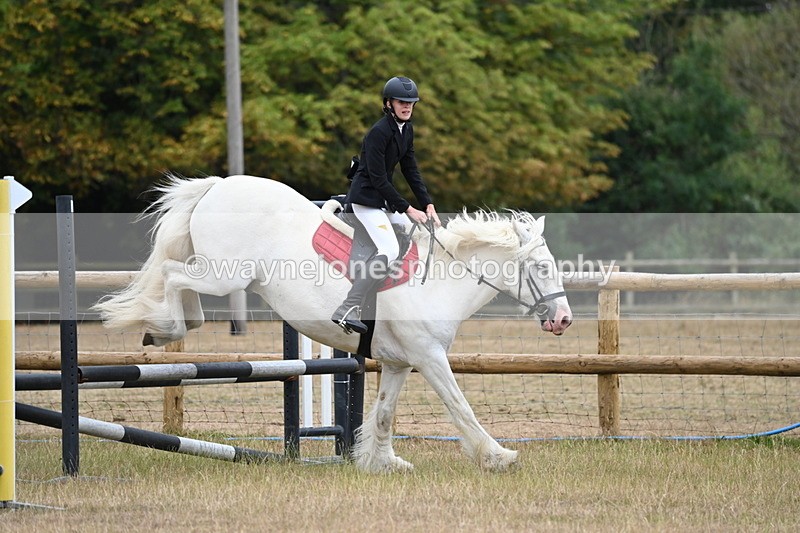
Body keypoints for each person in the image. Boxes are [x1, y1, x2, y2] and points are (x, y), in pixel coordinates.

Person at [331, 76, 441, 334]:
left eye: (411, 103)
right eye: (402, 102)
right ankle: (348, 307)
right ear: (389, 103)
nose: (407, 107)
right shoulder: (379, 132)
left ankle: (390, 291)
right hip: (365, 201)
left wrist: (428, 204)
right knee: (389, 248)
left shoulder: (406, 129)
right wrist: (407, 208)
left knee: (417, 231)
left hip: (382, 202)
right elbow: (379, 179)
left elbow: (411, 170)